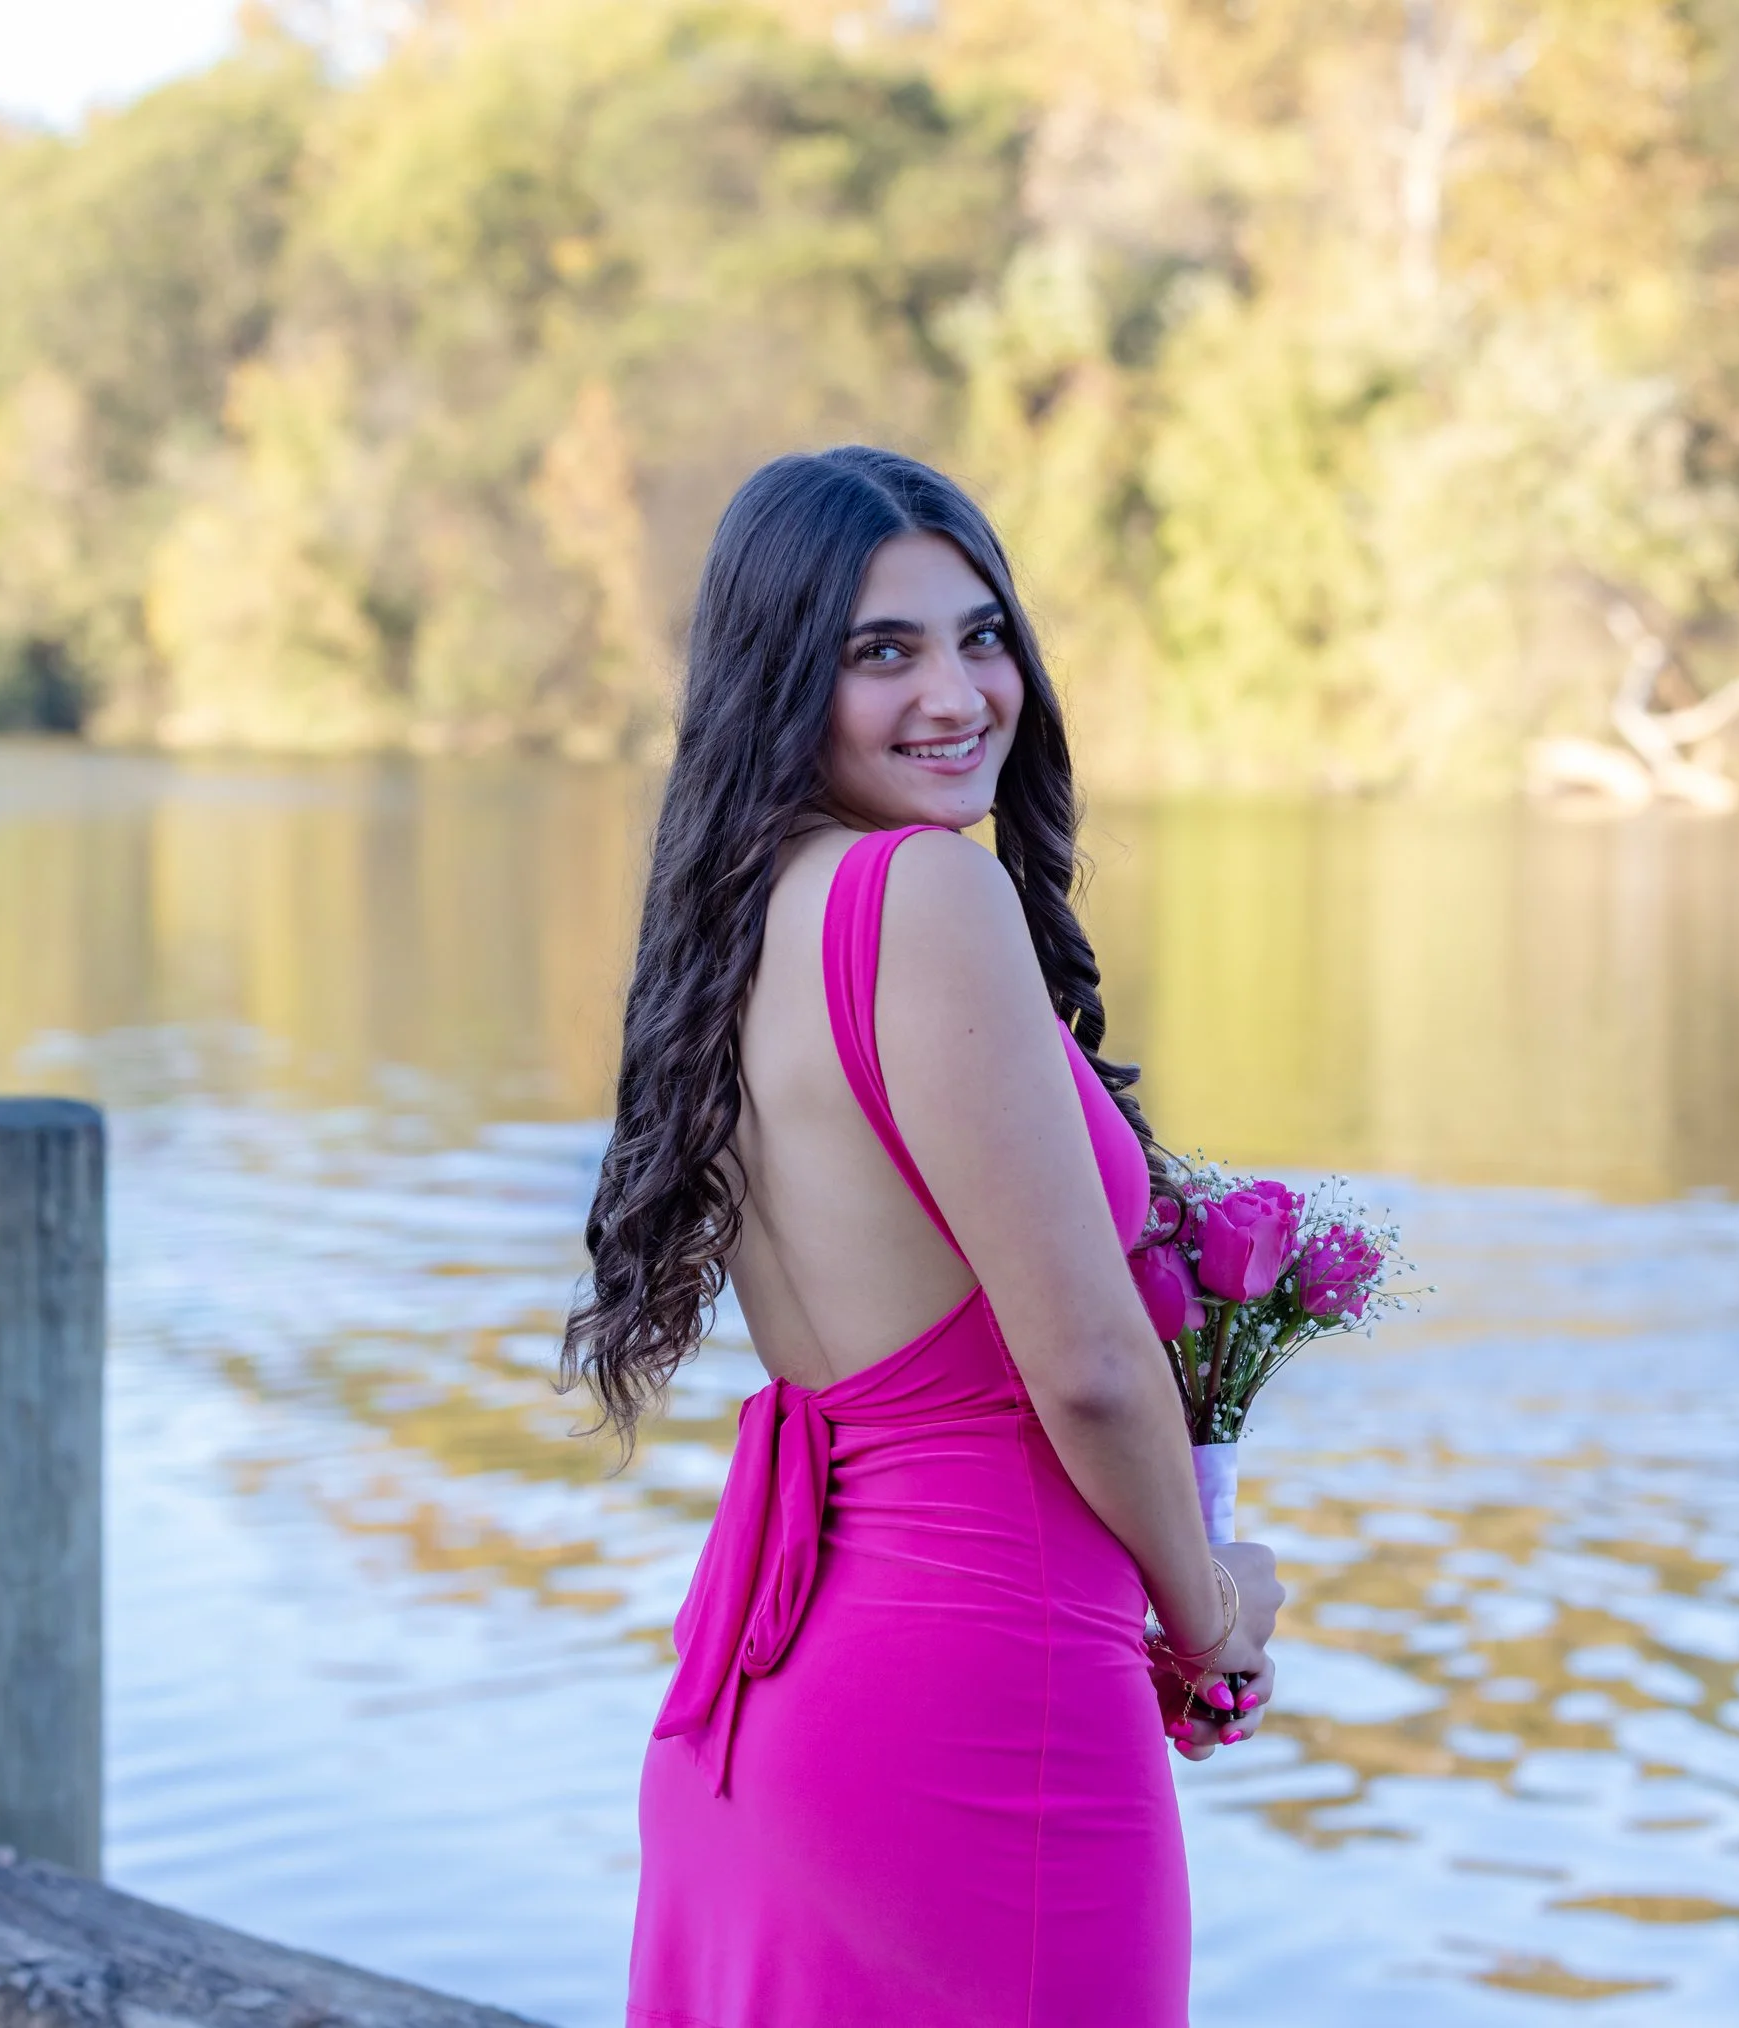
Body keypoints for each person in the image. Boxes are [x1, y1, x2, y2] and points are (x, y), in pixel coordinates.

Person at [564, 445, 1286, 2028]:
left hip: (781, 1704)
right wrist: (1209, 1606)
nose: (957, 693)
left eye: (981, 635)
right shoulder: (929, 900)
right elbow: (1089, 1368)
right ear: (781, 682)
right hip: (988, 1708)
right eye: (879, 651)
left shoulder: (733, 920)